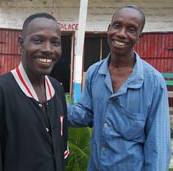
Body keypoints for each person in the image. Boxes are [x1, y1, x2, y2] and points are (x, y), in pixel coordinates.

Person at [68, 5, 171, 171]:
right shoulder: (95, 72)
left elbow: (158, 145)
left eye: (131, 29)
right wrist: (52, 106)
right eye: (117, 25)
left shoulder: (152, 82)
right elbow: (86, 114)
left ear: (139, 37)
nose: (121, 33)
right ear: (109, 29)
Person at [0, 12, 69, 171]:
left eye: (55, 42)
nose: (48, 49)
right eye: (38, 40)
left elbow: (60, 150)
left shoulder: (57, 90)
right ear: (21, 44)